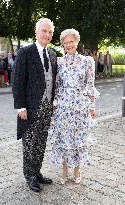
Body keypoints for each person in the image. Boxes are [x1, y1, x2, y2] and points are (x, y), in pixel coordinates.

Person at [48, 29, 99, 185]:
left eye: (71, 42)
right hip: (63, 108)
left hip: (80, 107)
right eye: (66, 42)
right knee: (64, 140)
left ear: (77, 42)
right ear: (63, 44)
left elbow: (90, 86)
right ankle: (64, 171)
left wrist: (92, 106)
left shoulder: (87, 61)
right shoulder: (59, 61)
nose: (69, 45)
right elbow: (57, 86)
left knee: (78, 141)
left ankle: (77, 170)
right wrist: (55, 105)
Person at [12, 18, 57, 192]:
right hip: (29, 108)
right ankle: (29, 175)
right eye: (44, 31)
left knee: (41, 142)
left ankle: (37, 171)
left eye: (50, 32)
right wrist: (20, 106)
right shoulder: (25, 52)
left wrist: (53, 101)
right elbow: (17, 81)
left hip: (47, 107)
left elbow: (53, 81)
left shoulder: (52, 54)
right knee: (30, 143)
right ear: (36, 32)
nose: (47, 34)